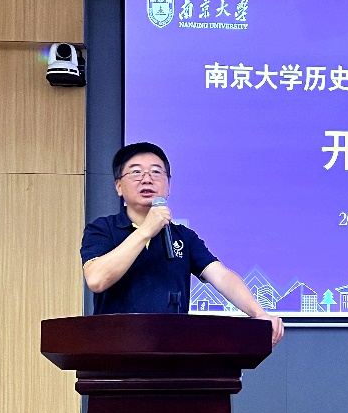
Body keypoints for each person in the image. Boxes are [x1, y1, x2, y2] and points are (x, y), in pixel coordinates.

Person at [80, 142, 284, 346]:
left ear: (168, 185)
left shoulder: (184, 237)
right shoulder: (102, 229)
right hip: (115, 348)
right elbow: (97, 280)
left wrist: (259, 313)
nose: (147, 179)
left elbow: (222, 276)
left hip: (170, 349)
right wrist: (146, 231)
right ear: (118, 186)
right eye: (136, 172)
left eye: (156, 172)